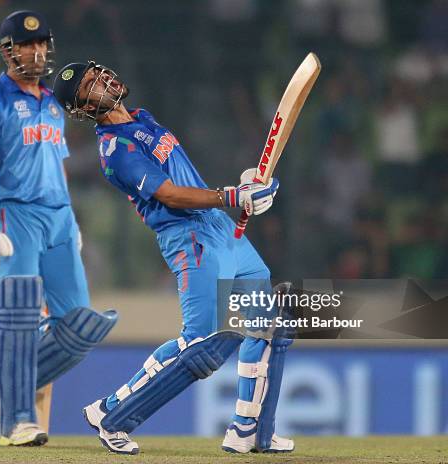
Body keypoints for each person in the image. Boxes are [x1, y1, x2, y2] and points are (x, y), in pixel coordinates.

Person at [52, 61, 294, 455]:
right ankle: (112, 416)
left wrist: (247, 185)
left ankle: (250, 431)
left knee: (267, 326)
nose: (104, 80)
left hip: (218, 228)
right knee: (202, 344)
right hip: (190, 237)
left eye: (99, 73)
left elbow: (188, 180)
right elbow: (169, 194)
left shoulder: (143, 119)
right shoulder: (116, 149)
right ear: (82, 108)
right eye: (90, 85)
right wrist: (234, 196)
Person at [0, 13, 116, 447]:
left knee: (80, 327)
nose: (37, 51)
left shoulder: (53, 103)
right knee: (18, 317)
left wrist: (72, 219)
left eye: (42, 43)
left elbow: (57, 164)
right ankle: (17, 420)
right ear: (7, 50)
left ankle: (1, 381)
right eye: (27, 44)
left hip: (59, 219)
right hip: (15, 215)